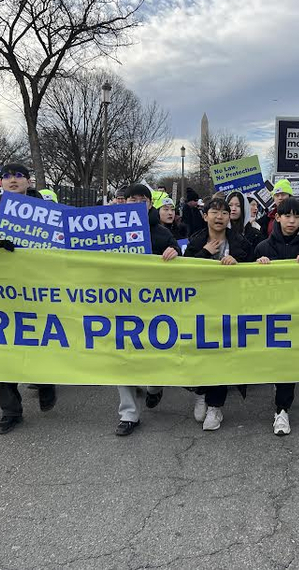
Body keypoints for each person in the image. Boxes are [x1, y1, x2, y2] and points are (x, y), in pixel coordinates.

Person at [0, 163, 58, 434]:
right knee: (1, 351)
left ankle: (45, 382)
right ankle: (10, 411)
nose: (13, 180)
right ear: (0, 183)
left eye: (18, 176)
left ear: (28, 182)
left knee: (39, 344)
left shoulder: (50, 216)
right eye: (7, 176)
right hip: (3, 296)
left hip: (40, 294)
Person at [114, 184, 180, 436]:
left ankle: (155, 387)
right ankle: (128, 414)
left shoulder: (162, 234)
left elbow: (181, 265)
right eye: (132, 199)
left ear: (150, 204)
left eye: (143, 200)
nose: (137, 204)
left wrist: (175, 253)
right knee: (122, 357)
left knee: (154, 357)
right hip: (120, 303)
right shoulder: (110, 231)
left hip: (154, 306)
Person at [184, 197, 252, 430]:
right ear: (205, 216)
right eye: (214, 212)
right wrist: (204, 253)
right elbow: (185, 272)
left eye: (224, 212)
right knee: (203, 354)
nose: (219, 216)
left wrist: (239, 262)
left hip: (230, 308)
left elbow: (253, 271)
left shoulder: (240, 242)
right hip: (201, 308)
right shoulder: (195, 242)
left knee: (223, 355)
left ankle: (215, 406)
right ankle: (201, 392)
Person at [254, 196, 299, 435]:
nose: (292, 221)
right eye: (287, 216)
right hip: (269, 314)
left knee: (287, 361)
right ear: (278, 218)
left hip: (297, 314)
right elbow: (247, 284)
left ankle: (282, 410)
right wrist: (257, 266)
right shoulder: (262, 248)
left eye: (296, 216)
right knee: (272, 360)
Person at [226, 190, 263, 256]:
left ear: (244, 208)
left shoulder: (255, 235)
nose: (233, 209)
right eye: (230, 205)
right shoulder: (220, 232)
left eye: (238, 206)